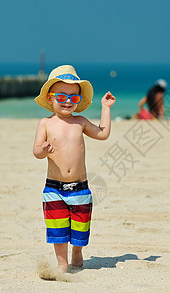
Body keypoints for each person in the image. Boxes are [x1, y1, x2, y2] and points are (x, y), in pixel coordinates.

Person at [33, 65, 116, 273]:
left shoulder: (80, 122)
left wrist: (105, 108)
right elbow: (36, 151)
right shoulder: (45, 123)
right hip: (54, 188)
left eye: (74, 98)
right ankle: (62, 264)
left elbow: (102, 134)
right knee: (57, 229)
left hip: (80, 187)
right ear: (50, 99)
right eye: (62, 97)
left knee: (80, 227)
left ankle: (77, 253)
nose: (68, 101)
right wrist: (43, 149)